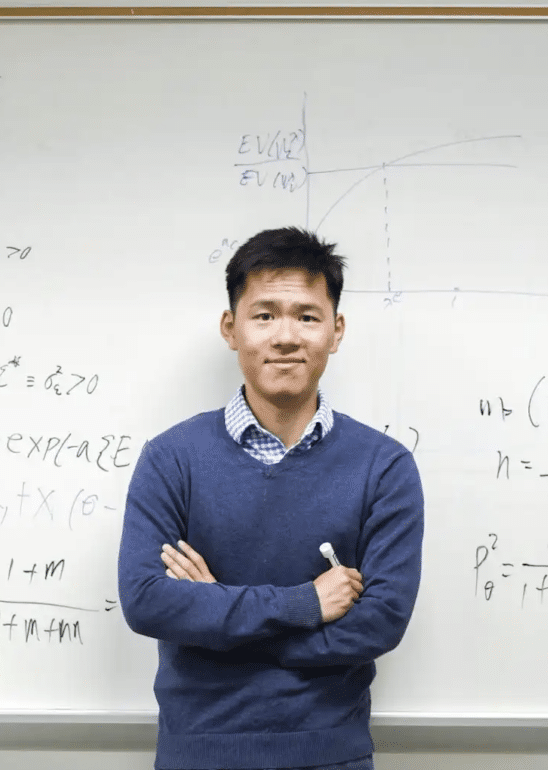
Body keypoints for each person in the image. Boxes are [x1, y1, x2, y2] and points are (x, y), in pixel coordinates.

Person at [118, 226, 424, 770]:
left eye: (307, 316)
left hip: (332, 757)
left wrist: (217, 615)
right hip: (198, 756)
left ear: (336, 330)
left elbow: (380, 623)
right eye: (264, 315)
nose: (286, 337)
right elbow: (146, 600)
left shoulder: (384, 467)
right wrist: (304, 605)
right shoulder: (170, 459)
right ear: (230, 328)